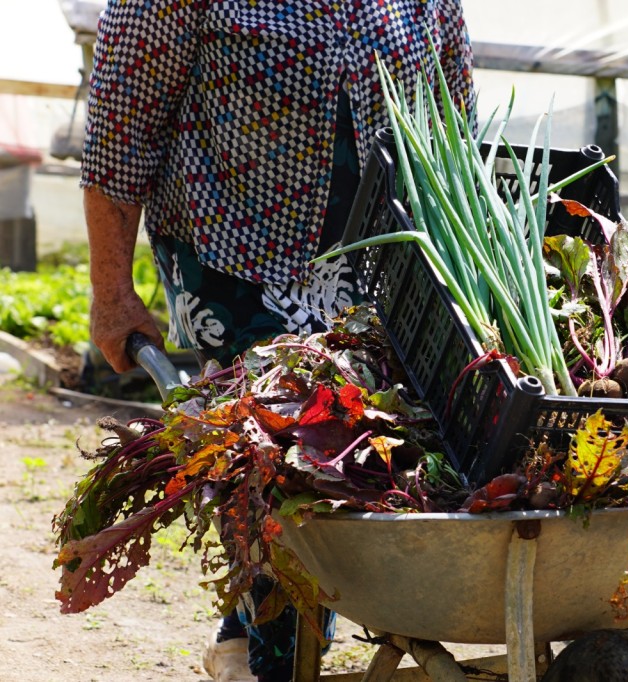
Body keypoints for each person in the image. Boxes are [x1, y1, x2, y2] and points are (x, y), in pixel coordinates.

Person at [80, 1, 475, 681]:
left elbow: (455, 124)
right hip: (232, 249)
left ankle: (247, 643)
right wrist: (111, 294)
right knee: (288, 443)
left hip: (374, 253)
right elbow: (122, 123)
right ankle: (273, 662)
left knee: (355, 450)